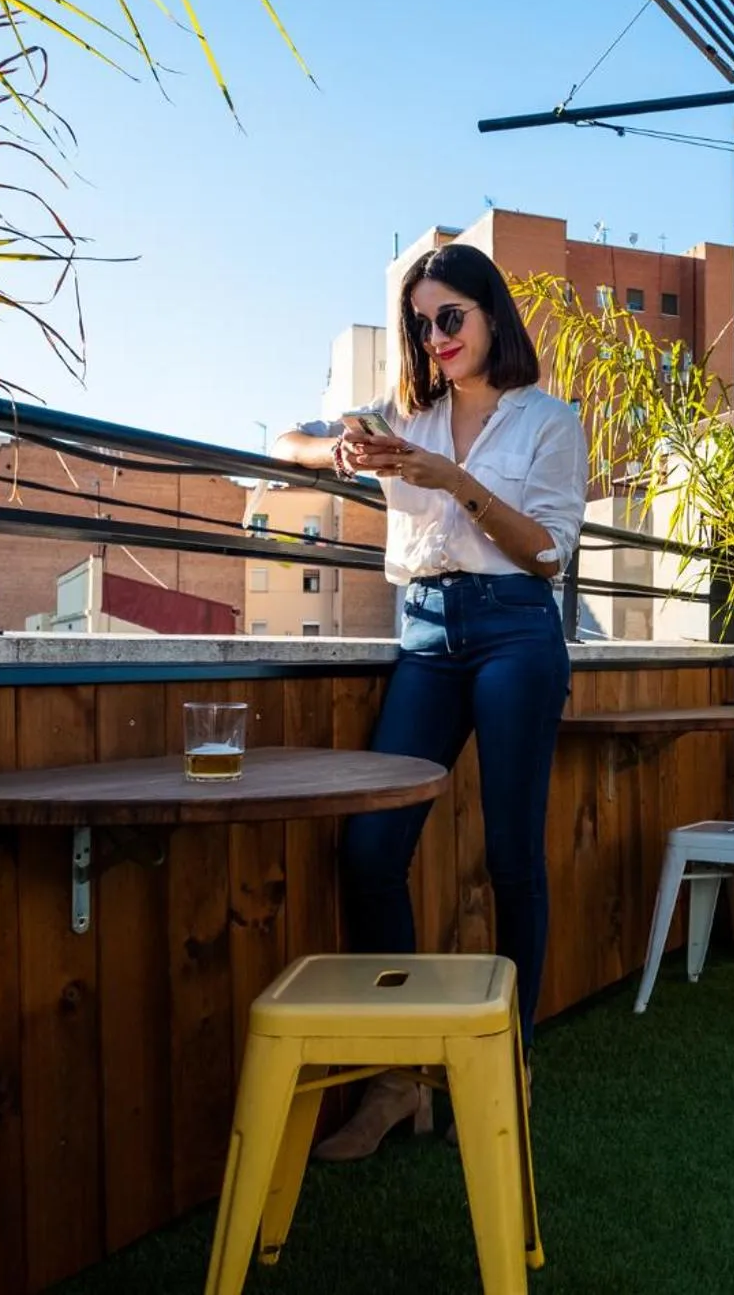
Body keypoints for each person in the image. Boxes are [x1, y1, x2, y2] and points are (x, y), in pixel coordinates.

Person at [271, 242, 583, 1160]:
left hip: (517, 629)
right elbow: (274, 440)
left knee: (511, 851)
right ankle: (399, 1079)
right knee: (370, 847)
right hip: (426, 635)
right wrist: (340, 450)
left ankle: (511, 1060)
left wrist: (453, 480)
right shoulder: (407, 416)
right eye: (423, 323)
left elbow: (550, 553)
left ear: (491, 313)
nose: (436, 336)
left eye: (452, 316)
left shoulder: (547, 421)